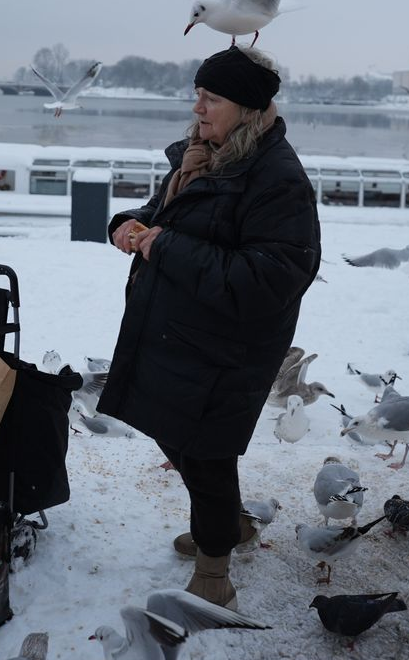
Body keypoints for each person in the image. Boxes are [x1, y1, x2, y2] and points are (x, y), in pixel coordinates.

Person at [95, 45, 321, 609]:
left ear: (246, 107)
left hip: (229, 348)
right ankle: (229, 525)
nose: (196, 107)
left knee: (207, 454)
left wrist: (165, 245)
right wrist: (130, 224)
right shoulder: (203, 155)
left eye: (210, 98)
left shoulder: (277, 178)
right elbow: (164, 215)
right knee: (180, 440)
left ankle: (215, 569)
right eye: (197, 94)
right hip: (178, 333)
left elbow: (272, 276)